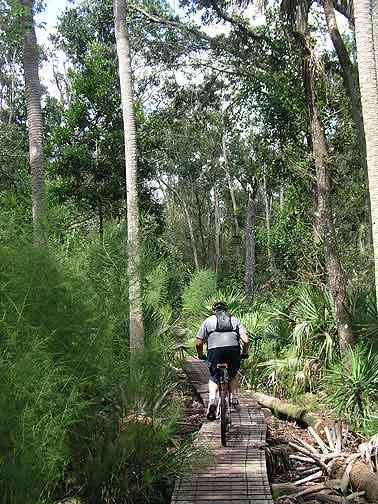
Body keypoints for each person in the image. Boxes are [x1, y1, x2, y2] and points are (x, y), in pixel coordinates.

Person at [195, 301, 249, 420]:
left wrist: (200, 355)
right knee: (233, 374)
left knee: (214, 376)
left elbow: (198, 343)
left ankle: (212, 401)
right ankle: (234, 399)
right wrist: (244, 353)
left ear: (214, 311)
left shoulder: (208, 321)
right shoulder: (234, 320)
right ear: (226, 310)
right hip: (233, 350)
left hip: (214, 351)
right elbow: (245, 340)